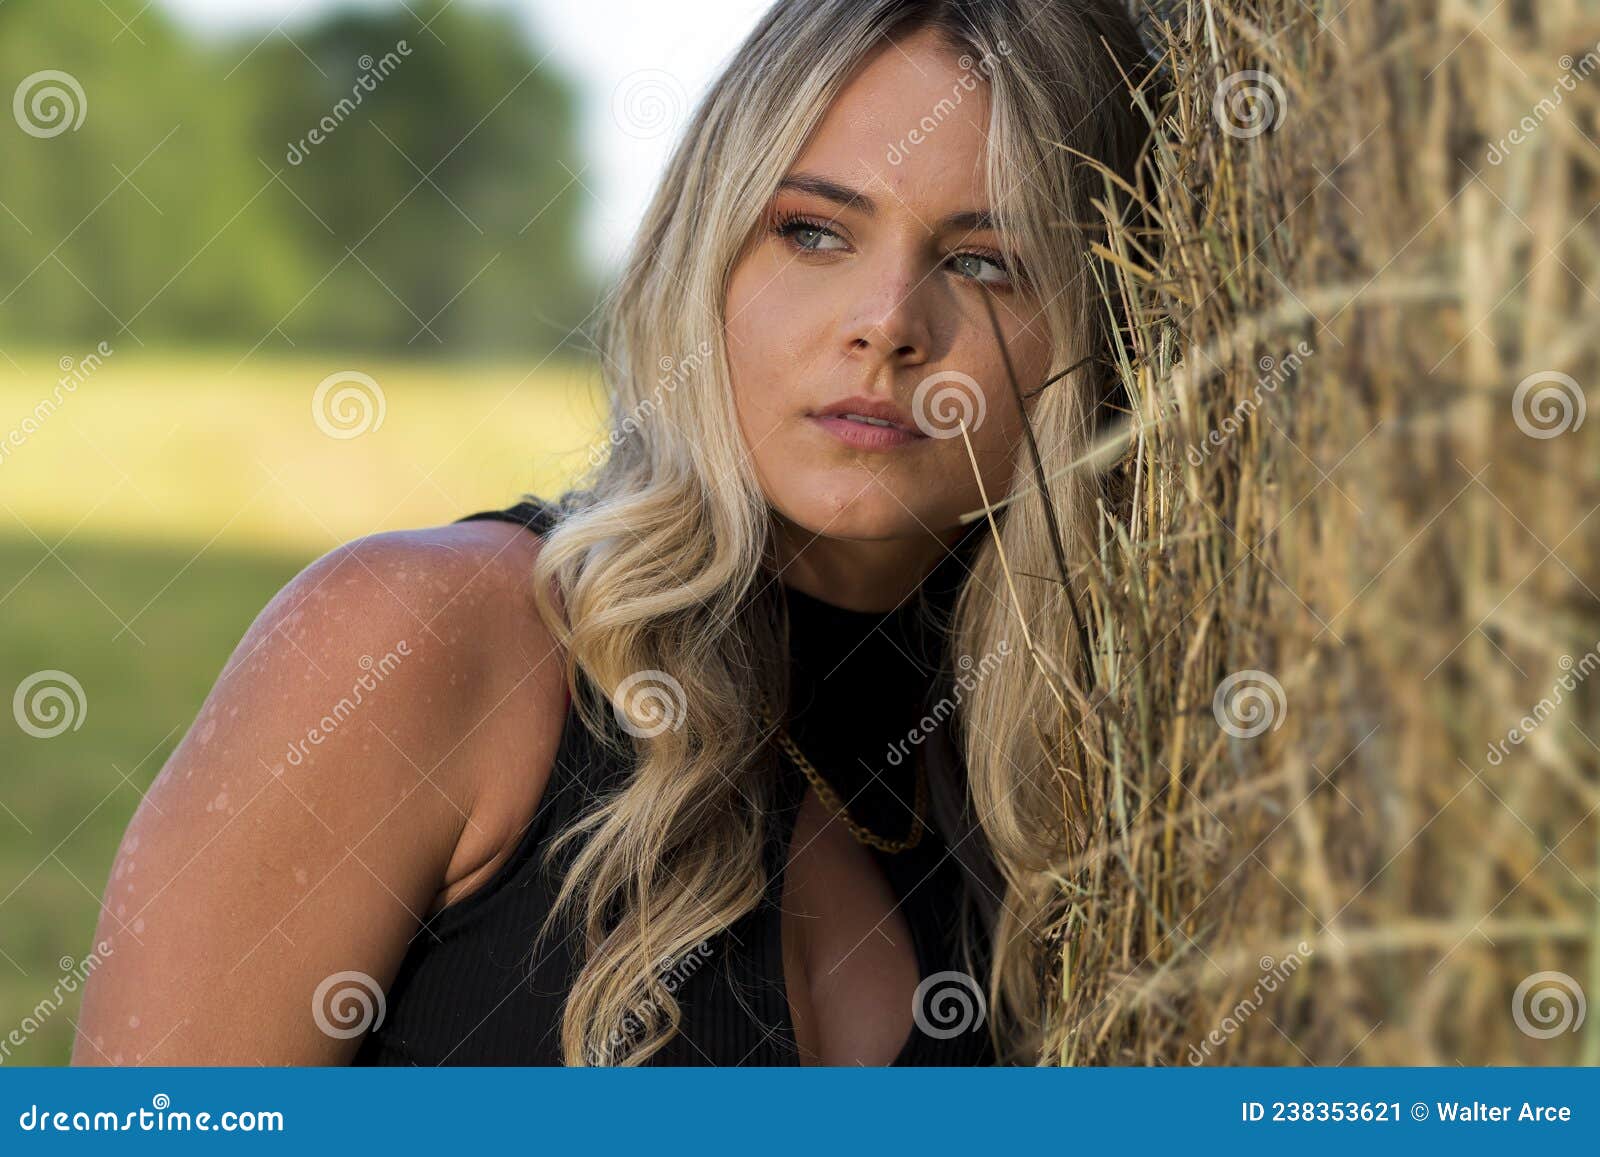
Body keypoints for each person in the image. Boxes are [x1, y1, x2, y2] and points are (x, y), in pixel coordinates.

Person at [73, 0, 1149, 1066]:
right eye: (813, 232)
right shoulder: (420, 638)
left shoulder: (1064, 776)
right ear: (704, 257)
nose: (887, 323)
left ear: (1102, 322)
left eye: (985, 260)